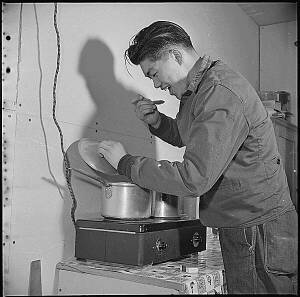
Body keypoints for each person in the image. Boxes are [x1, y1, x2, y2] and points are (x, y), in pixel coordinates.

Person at [98, 21, 298, 294]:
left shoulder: (219, 92)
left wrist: (126, 163)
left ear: (174, 55)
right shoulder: (198, 90)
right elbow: (189, 135)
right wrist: (156, 121)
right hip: (247, 222)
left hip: (257, 228)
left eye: (154, 74)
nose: (157, 85)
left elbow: (194, 179)